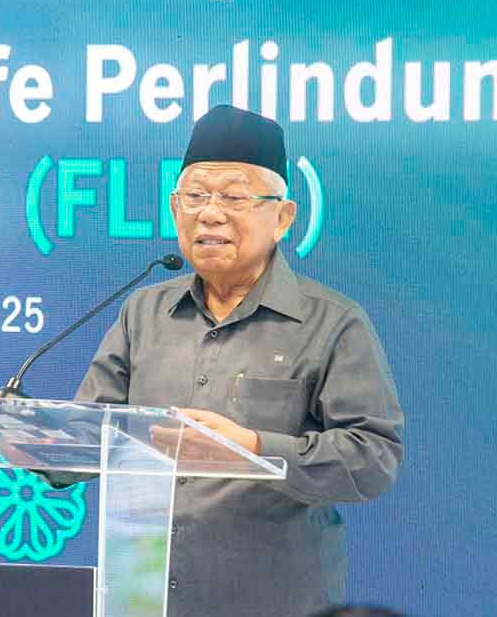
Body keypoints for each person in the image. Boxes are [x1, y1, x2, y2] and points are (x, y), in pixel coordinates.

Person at [73, 104, 404, 617]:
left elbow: (372, 458)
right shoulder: (144, 312)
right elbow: (87, 431)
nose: (210, 213)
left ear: (283, 217)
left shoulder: (333, 323)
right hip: (142, 597)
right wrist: (30, 442)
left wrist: (251, 448)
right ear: (175, 208)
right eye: (195, 196)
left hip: (272, 601)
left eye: (233, 196)